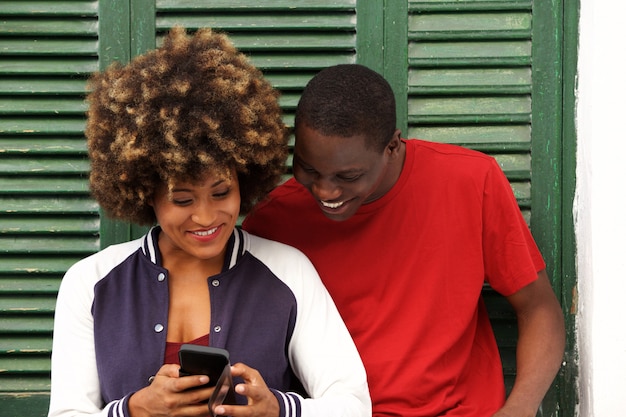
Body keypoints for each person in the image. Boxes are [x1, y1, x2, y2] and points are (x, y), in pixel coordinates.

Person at [47, 28, 371, 417]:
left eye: (221, 193)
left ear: (245, 178)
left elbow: (353, 405)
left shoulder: (288, 271)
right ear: (145, 191)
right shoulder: (89, 282)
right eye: (182, 199)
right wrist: (133, 410)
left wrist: (280, 410)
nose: (205, 217)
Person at [243, 64, 565, 417]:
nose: (325, 190)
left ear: (392, 146)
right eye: (307, 168)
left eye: (348, 175)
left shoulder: (472, 182)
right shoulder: (273, 221)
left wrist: (518, 409)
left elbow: (538, 308)